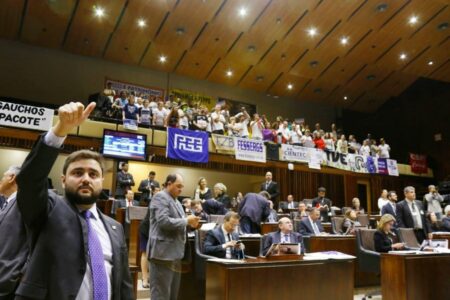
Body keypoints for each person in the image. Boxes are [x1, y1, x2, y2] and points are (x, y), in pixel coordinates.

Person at [14, 101, 133, 299]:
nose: (86, 178)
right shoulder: (47, 209)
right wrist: (61, 130)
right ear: (63, 179)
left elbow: (124, 283)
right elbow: (29, 181)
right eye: (78, 173)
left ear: (102, 181)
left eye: (93, 174)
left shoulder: (115, 227)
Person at [148, 174, 200, 300]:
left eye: (182, 187)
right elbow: (163, 222)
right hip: (162, 254)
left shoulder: (176, 201)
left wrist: (192, 224)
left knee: (172, 295)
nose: (181, 189)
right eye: (178, 186)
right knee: (161, 295)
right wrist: (186, 221)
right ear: (169, 183)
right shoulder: (160, 197)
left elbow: (180, 223)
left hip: (175, 254)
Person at [0, 166, 28, 298]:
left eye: (3, 177)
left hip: (9, 280)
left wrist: (22, 274)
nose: (1, 180)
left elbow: (35, 240)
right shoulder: (7, 202)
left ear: (12, 178)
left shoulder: (23, 202)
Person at [139, 208, 150, 288]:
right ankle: (144, 278)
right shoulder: (158, 199)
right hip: (146, 229)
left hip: (156, 231)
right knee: (145, 252)